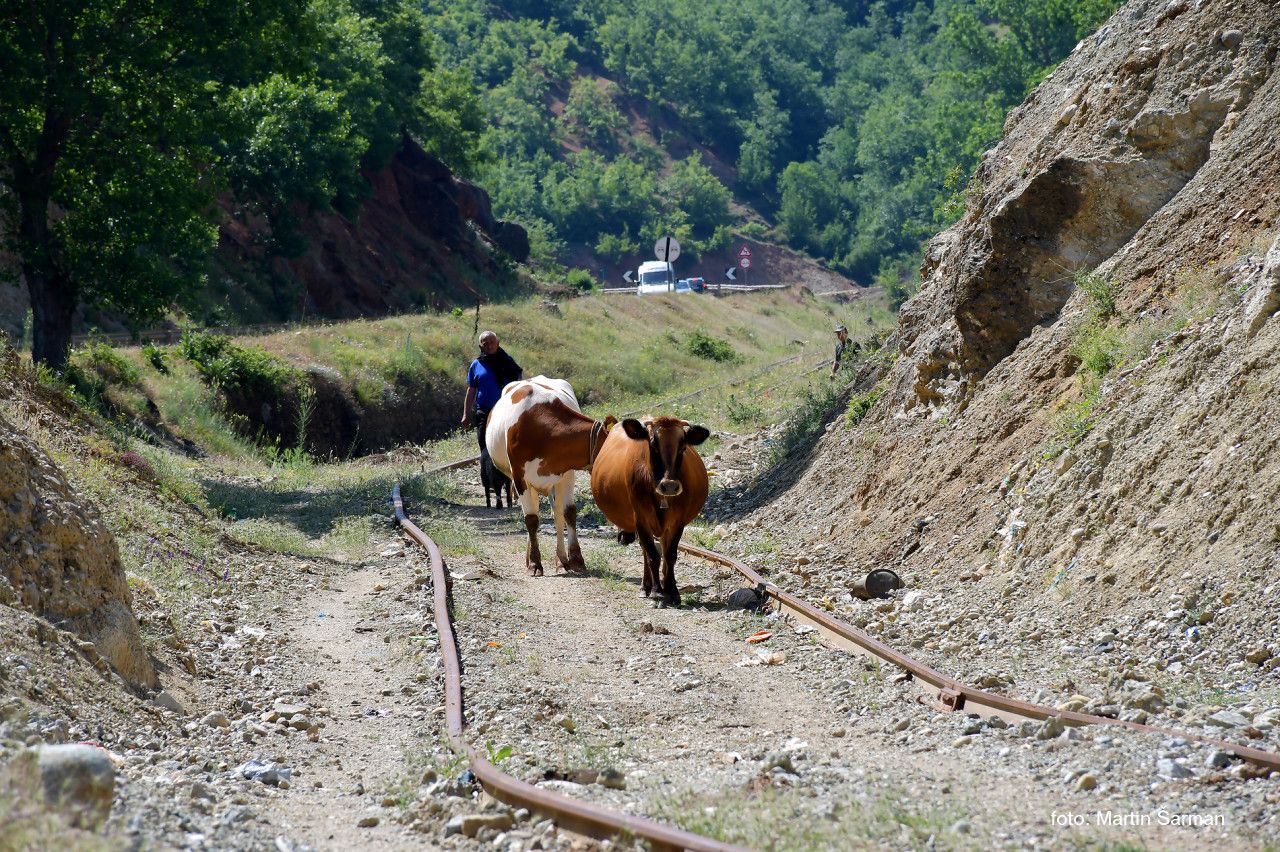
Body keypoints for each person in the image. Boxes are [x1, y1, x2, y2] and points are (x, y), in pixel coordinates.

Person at [462, 330, 523, 436]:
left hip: (507, 412)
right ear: (480, 346)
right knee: (485, 447)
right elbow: (471, 390)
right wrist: (466, 414)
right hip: (484, 412)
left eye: (492, 342)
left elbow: (519, 385)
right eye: (485, 344)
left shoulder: (508, 363)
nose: (489, 346)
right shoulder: (476, 365)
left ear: (497, 343)